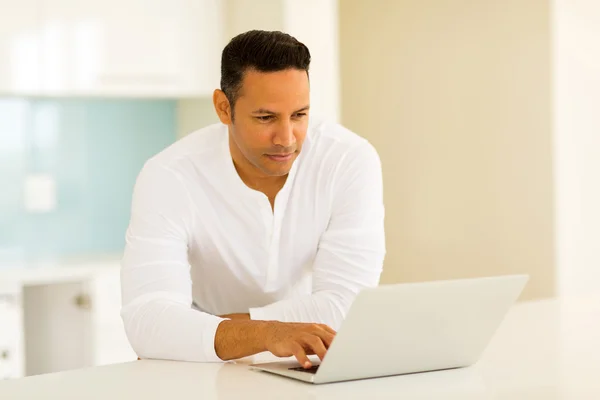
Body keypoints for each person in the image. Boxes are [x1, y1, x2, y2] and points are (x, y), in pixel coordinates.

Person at [120, 30, 385, 369]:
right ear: (223, 107)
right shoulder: (169, 176)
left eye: (300, 114)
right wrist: (267, 334)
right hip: (203, 371)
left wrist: (198, 331)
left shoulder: (348, 159)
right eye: (266, 117)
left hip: (304, 363)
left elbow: (348, 309)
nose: (287, 138)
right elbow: (148, 322)